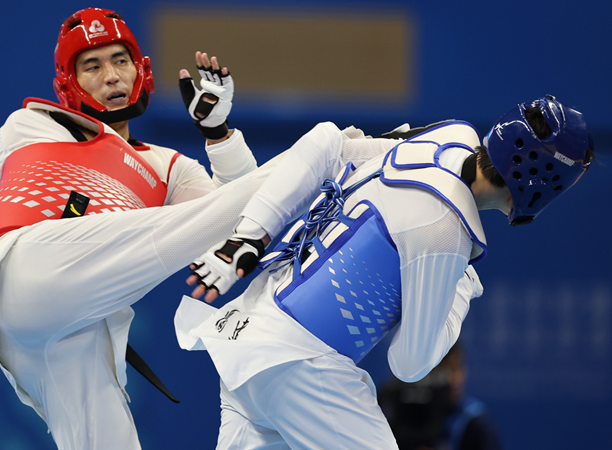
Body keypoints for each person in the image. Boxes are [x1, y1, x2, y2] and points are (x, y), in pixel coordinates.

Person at [0, 7, 280, 450]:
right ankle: (329, 148)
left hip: (79, 321)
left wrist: (219, 134)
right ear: (68, 83)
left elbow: (242, 225)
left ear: (141, 70)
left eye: (121, 61)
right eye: (93, 66)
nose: (112, 76)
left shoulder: (169, 167)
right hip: (25, 272)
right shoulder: (30, 125)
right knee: (271, 183)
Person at [176, 95, 594, 449]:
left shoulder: (446, 137)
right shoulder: (445, 229)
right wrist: (462, 289)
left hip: (247, 332)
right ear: (545, 180)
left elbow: (327, 143)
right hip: (302, 363)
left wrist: (250, 235)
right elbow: (410, 364)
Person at [378, 341, 503, 450]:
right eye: (442, 369)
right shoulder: (395, 413)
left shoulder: (475, 425)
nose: (452, 379)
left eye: (455, 368)